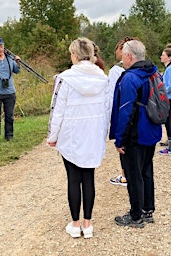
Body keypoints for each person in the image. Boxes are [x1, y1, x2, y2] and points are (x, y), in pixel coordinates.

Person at [47, 37, 110, 239]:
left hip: (71, 135)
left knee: (73, 179)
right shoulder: (102, 77)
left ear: (74, 55)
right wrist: (103, 133)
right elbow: (107, 109)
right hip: (92, 133)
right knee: (89, 178)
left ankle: (75, 224)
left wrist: (52, 136)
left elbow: (57, 110)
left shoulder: (65, 78)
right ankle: (88, 224)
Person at [109, 39, 162, 228]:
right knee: (146, 171)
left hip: (135, 134)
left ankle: (135, 216)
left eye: (123, 55)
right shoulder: (153, 71)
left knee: (133, 175)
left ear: (129, 56)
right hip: (152, 130)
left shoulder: (130, 77)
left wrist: (119, 138)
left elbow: (125, 111)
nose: (122, 59)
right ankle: (148, 210)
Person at [108, 36, 139, 187]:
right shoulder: (141, 69)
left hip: (123, 113)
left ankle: (125, 175)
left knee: (123, 146)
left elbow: (112, 95)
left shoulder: (116, 70)